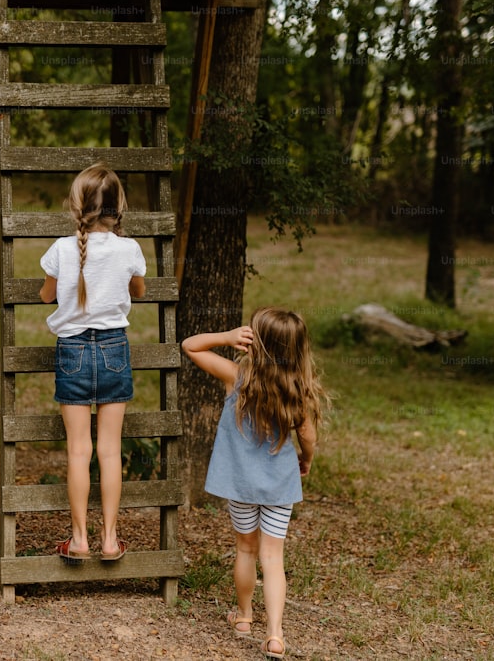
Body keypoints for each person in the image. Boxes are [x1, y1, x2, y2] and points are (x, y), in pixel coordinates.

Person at [181, 307, 326, 659]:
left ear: (255, 343)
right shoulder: (299, 391)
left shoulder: (236, 377)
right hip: (278, 486)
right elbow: (308, 437)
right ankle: (275, 635)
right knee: (272, 558)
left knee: (246, 549)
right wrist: (306, 460)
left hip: (242, 485)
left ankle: (244, 616)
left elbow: (190, 346)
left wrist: (226, 337)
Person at [39, 163, 146, 563]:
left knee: (78, 451)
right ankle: (111, 540)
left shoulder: (63, 249)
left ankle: (80, 538)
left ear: (77, 206)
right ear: (118, 208)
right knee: (110, 451)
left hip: (72, 352)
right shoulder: (129, 249)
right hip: (115, 350)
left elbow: (47, 296)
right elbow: (138, 287)